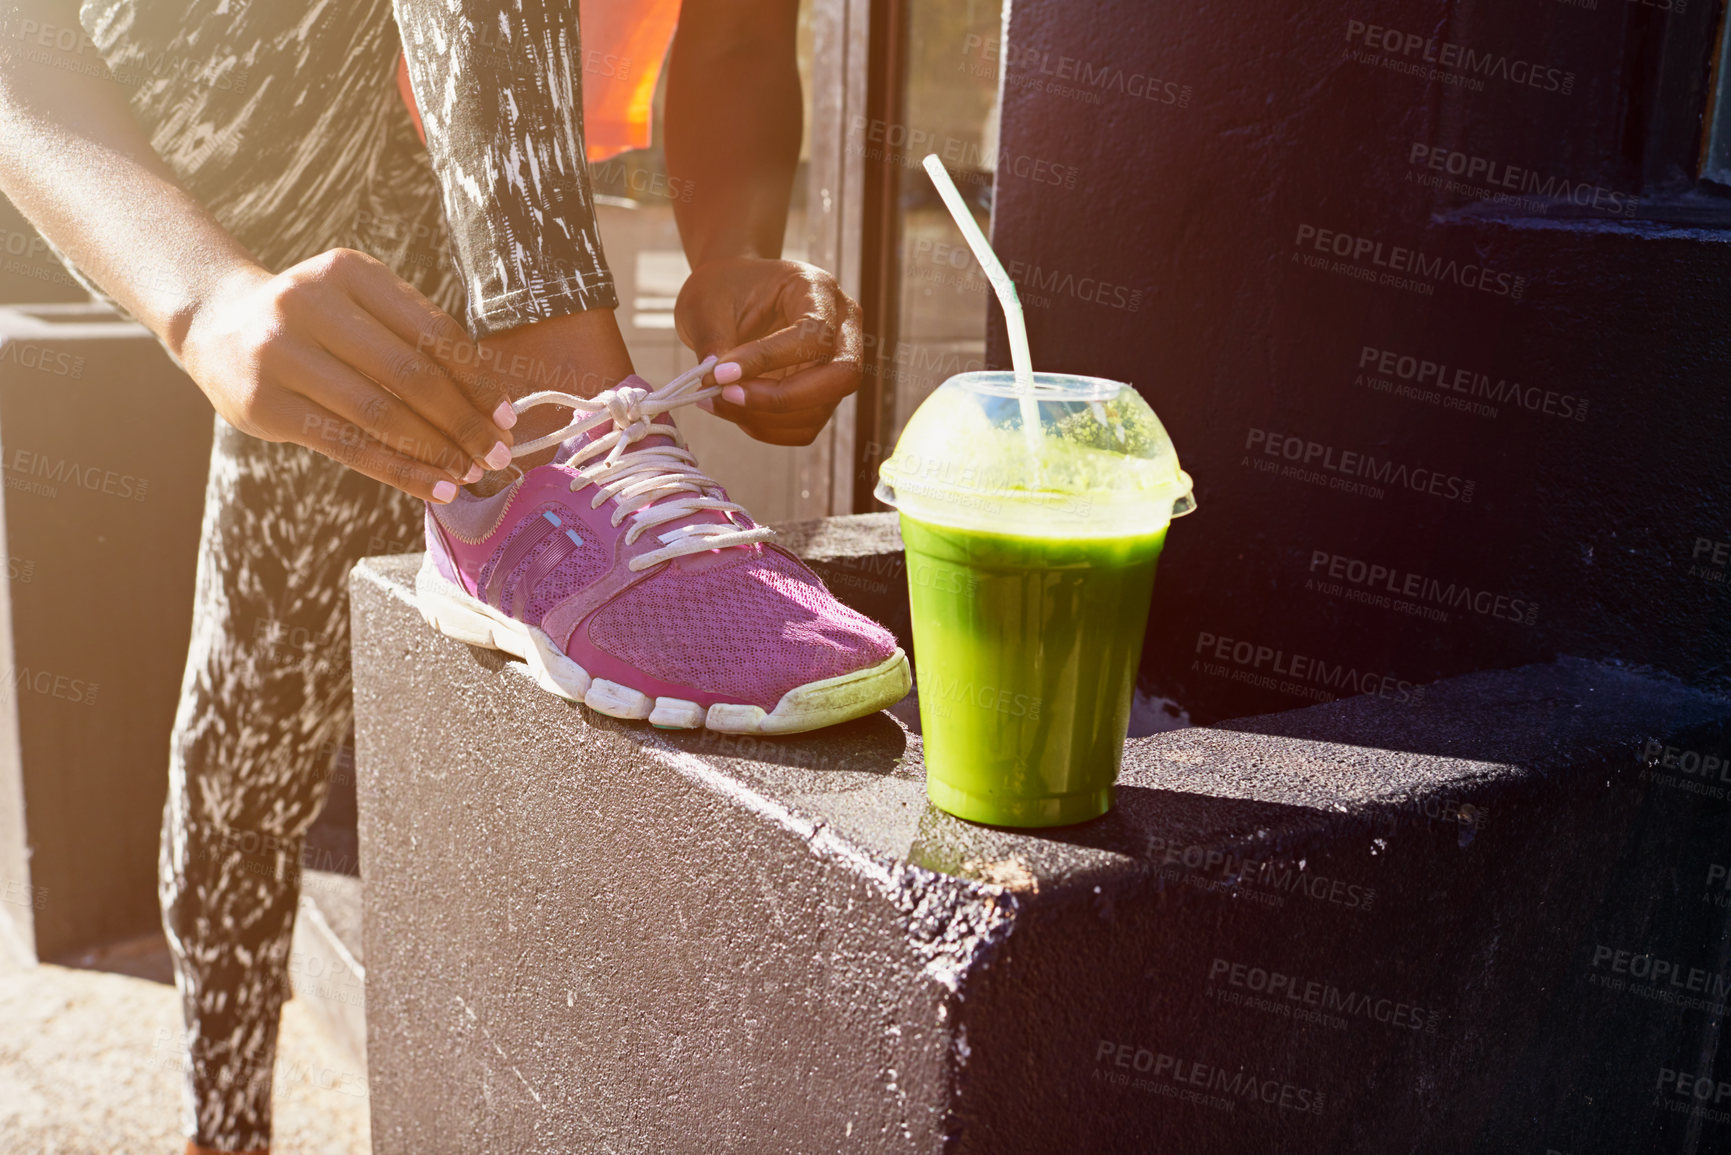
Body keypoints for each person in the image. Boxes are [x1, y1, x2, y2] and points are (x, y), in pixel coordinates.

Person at [0, 1, 906, 1150]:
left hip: (434, 178)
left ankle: (217, 1134)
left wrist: (732, 250)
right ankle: (568, 412)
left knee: (262, 697)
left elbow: (733, 37)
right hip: (178, 95)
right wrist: (202, 299)